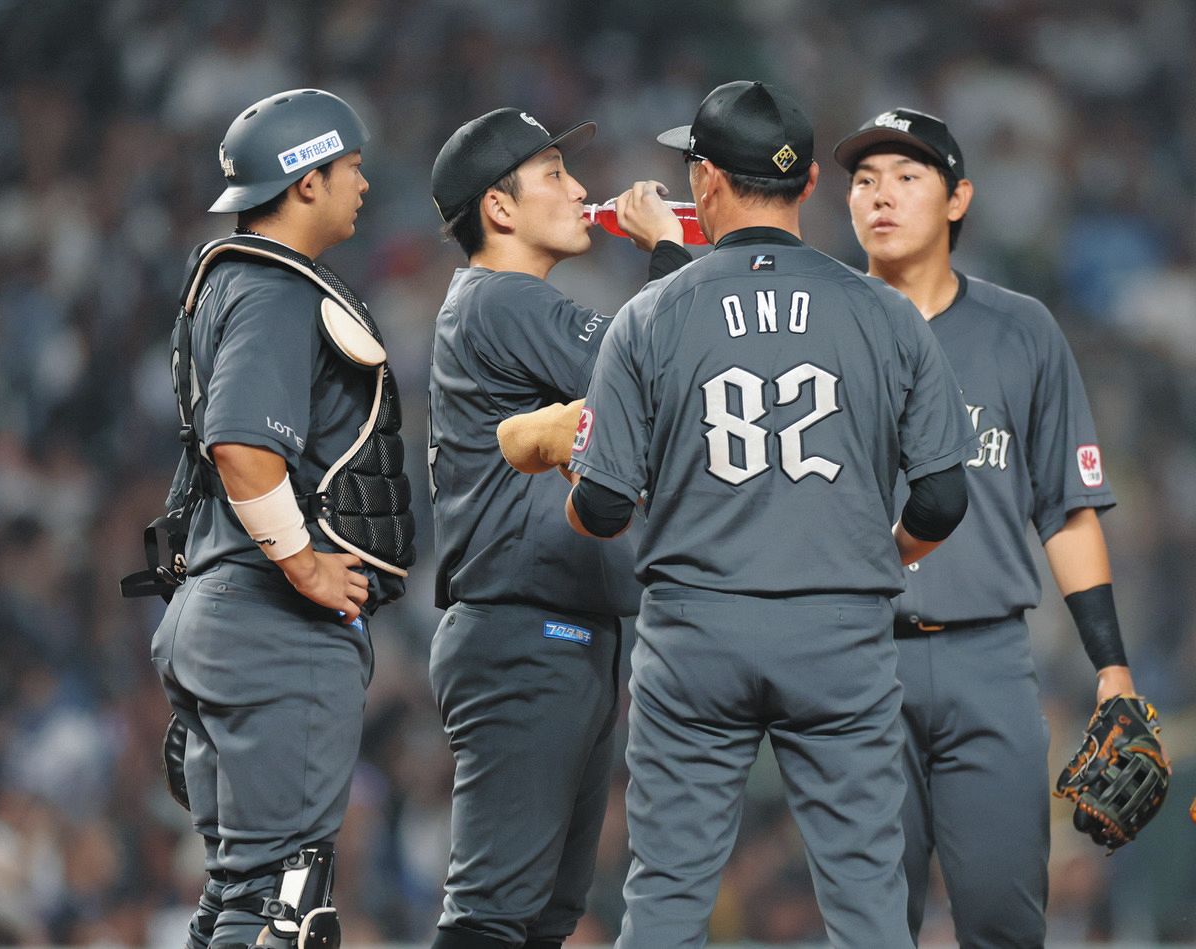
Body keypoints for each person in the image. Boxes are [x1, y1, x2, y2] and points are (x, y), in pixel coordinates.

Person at [559, 80, 975, 949]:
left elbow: (601, 507)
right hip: (840, 633)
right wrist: (883, 554)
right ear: (812, 184)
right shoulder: (887, 313)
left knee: (666, 897)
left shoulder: (650, 315)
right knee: (868, 902)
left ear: (704, 179)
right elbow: (942, 499)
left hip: (696, 635)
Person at [834, 107, 1136, 947]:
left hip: (989, 660)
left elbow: (1066, 510)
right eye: (865, 179)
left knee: (1005, 921)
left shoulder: (1021, 329)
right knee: (867, 928)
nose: (881, 195)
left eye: (907, 176)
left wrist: (1110, 664)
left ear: (958, 198)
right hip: (857, 658)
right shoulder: (818, 325)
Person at [149, 88, 415, 949]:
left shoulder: (227, 280)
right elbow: (240, 445)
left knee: (239, 897)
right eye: (350, 167)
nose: (362, 183)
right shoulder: (274, 289)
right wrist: (303, 564)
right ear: (306, 182)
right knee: (282, 907)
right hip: (269, 618)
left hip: (218, 606)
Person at [426, 108, 693, 949]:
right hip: (526, 632)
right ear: (499, 207)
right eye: (553, 174)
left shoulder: (508, 306)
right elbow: (653, 374)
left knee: (541, 921)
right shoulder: (501, 298)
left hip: (561, 633)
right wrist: (665, 250)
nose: (580, 190)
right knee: (490, 915)